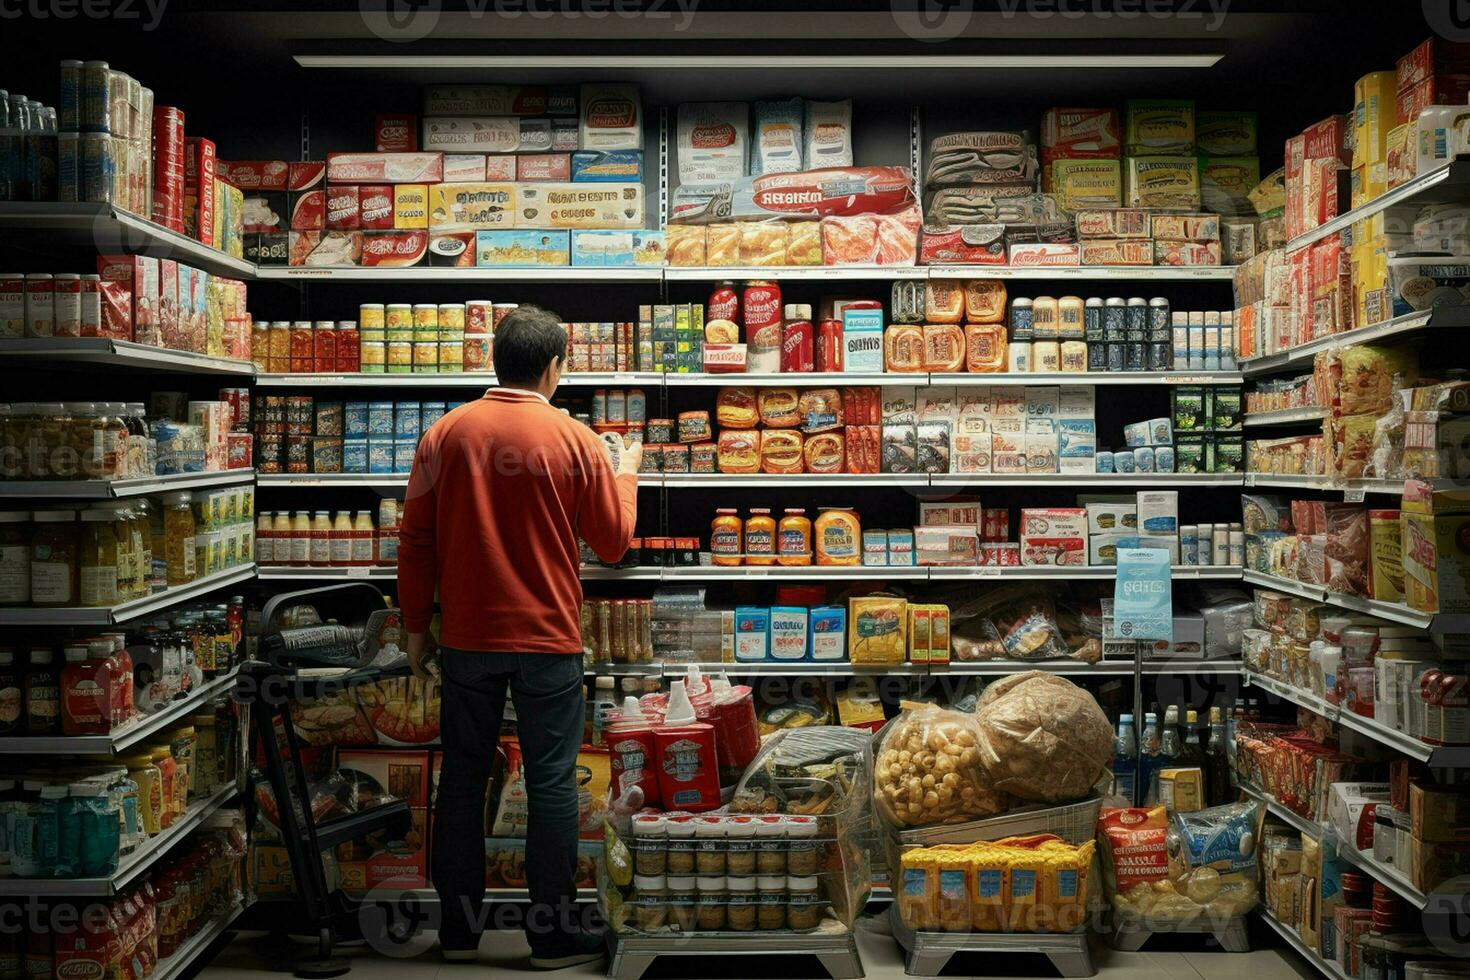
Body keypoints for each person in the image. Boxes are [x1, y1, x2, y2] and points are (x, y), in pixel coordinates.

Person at [399, 305, 640, 969]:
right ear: (553, 367)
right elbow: (614, 544)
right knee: (553, 782)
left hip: (468, 641)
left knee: (463, 778)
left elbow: (415, 540)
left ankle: (458, 930)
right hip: (548, 639)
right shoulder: (575, 439)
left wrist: (415, 629)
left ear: (496, 362)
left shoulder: (443, 435)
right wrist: (629, 470)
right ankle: (552, 935)